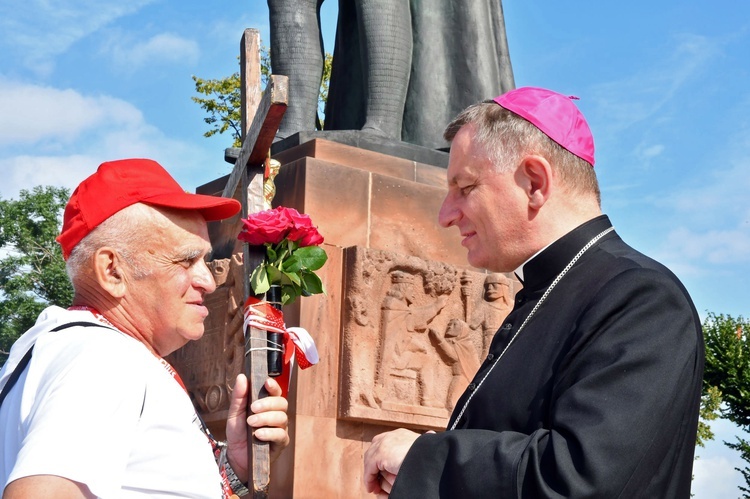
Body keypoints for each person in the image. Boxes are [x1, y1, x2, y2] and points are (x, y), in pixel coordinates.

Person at [363, 87, 704, 497]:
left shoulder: (642, 299)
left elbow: (581, 478)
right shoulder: (549, 291)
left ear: (534, 182)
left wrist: (425, 458)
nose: (445, 215)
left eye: (465, 187)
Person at [0, 159, 290, 498]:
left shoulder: (69, 349)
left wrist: (235, 470)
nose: (208, 281)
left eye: (205, 261)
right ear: (112, 271)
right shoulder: (103, 359)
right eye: (186, 260)